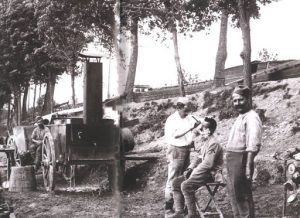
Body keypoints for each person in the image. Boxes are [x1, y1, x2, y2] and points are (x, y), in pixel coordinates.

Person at [169, 117, 223, 218]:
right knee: (176, 183)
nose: (200, 129)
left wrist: (194, 172)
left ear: (209, 130)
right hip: (202, 172)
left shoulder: (214, 143)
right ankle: (180, 212)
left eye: (202, 128)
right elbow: (198, 157)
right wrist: (190, 168)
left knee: (186, 185)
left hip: (211, 174)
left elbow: (208, 164)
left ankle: (192, 215)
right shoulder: (206, 141)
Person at [226, 85, 262, 218]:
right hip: (233, 160)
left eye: (240, 100)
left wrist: (248, 166)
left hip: (241, 159)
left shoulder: (252, 117)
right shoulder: (241, 116)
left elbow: (252, 144)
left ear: (248, 99)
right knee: (235, 193)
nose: (237, 103)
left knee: (242, 194)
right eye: (235, 101)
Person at [164, 97, 201, 216]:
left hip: (186, 150)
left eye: (188, 111)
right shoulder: (172, 119)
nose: (187, 113)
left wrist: (201, 124)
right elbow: (175, 135)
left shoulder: (188, 117)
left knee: (185, 177)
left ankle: (181, 207)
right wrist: (191, 128)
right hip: (175, 150)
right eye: (185, 110)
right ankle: (168, 207)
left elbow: (198, 122)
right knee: (173, 178)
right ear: (179, 107)